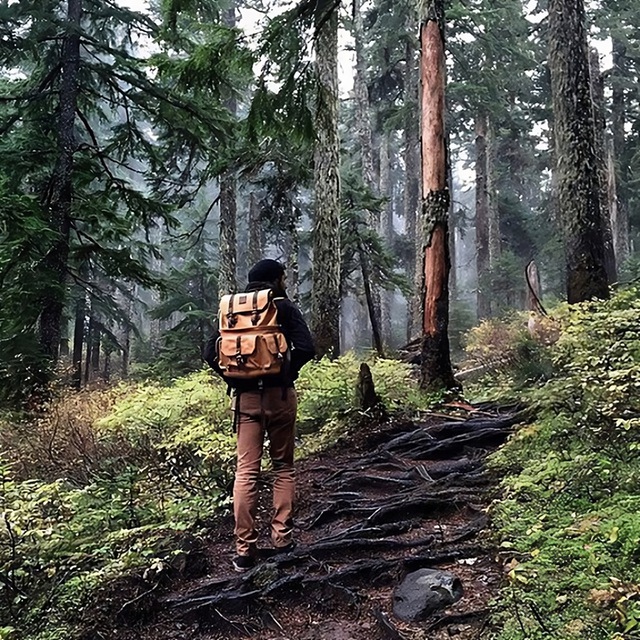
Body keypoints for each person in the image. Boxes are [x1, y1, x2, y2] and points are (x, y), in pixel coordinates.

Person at [204, 259, 315, 572]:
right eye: (283, 278)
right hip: (280, 398)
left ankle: (244, 551)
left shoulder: (233, 310)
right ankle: (282, 542)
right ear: (276, 280)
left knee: (246, 472)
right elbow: (306, 347)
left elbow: (209, 352)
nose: (285, 283)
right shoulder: (283, 307)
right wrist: (284, 374)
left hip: (246, 400)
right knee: (283, 468)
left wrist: (235, 379)